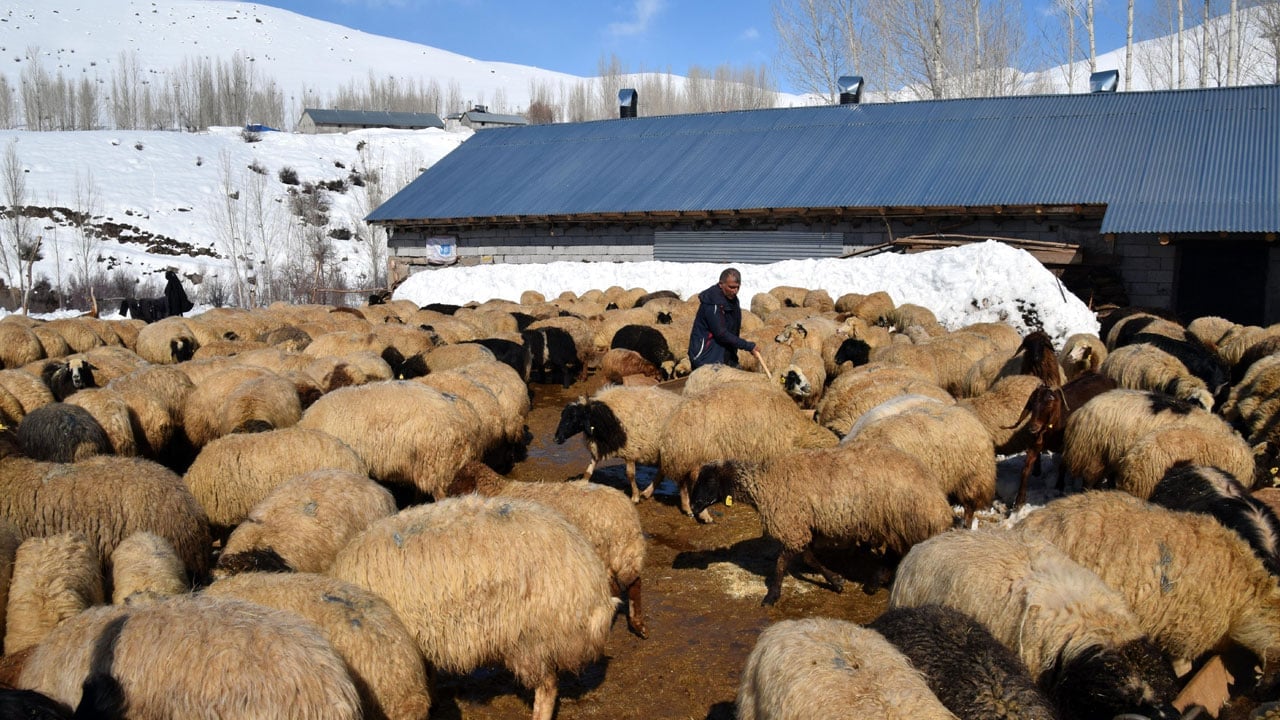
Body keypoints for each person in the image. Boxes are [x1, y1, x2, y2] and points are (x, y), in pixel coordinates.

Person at [687, 267, 762, 370]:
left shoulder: (733, 300)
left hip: (724, 355)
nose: (735, 291)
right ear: (721, 284)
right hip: (707, 358)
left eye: (737, 287)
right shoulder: (713, 304)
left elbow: (732, 330)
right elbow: (721, 334)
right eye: (731, 287)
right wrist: (747, 346)